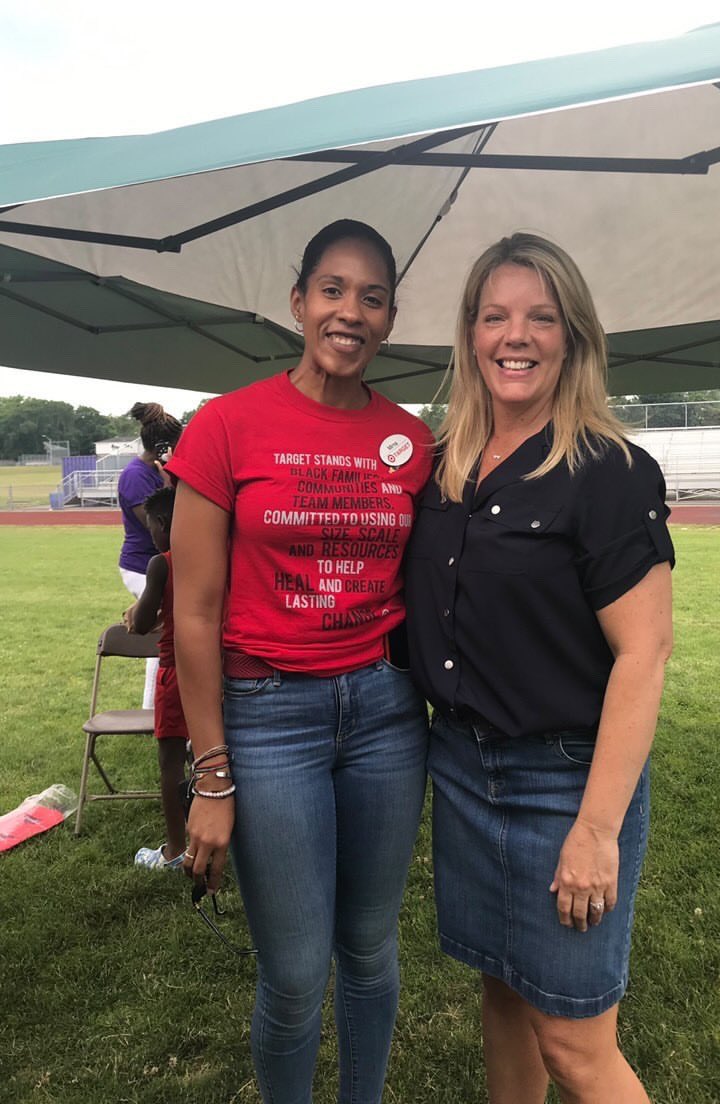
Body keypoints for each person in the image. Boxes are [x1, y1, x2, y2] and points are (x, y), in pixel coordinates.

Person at [165, 220, 433, 1104]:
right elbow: (193, 613)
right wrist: (211, 773)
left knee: (370, 951)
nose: (351, 312)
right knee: (292, 972)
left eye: (372, 298)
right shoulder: (225, 426)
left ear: (389, 319)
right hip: (268, 718)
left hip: (386, 714)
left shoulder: (411, 442)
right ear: (298, 302)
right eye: (333, 290)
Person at [406, 233, 674, 1104]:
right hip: (462, 765)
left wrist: (596, 831)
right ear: (470, 334)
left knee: (575, 1044)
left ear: (573, 337)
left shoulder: (609, 472)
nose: (514, 336)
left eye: (540, 318)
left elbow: (645, 653)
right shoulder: (442, 467)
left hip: (565, 781)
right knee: (502, 992)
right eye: (495, 317)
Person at [124, 486, 189, 871]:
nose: (151, 537)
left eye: (151, 529)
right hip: (221, 668)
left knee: (171, 762)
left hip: (177, 671)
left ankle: (176, 849)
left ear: (163, 524)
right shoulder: (217, 554)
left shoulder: (161, 564)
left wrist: (136, 613)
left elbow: (143, 623)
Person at [118, 402, 183, 708]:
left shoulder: (160, 470)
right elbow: (159, 529)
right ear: (163, 446)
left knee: (168, 631)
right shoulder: (135, 476)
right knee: (167, 633)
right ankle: (153, 708)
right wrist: (171, 485)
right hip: (142, 566)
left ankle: (153, 708)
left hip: (164, 564)